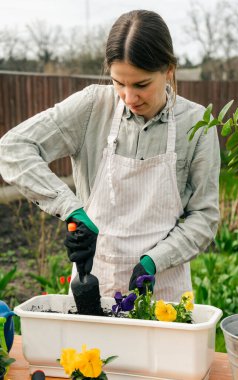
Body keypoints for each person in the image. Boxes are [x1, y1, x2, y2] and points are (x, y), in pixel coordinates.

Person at [0, 10, 220, 302]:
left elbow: (204, 217)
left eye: (141, 84)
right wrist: (71, 209)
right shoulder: (92, 107)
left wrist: (154, 261)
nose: (129, 97)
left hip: (165, 290)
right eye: (119, 83)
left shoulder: (197, 124)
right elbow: (12, 147)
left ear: (169, 69)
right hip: (96, 284)